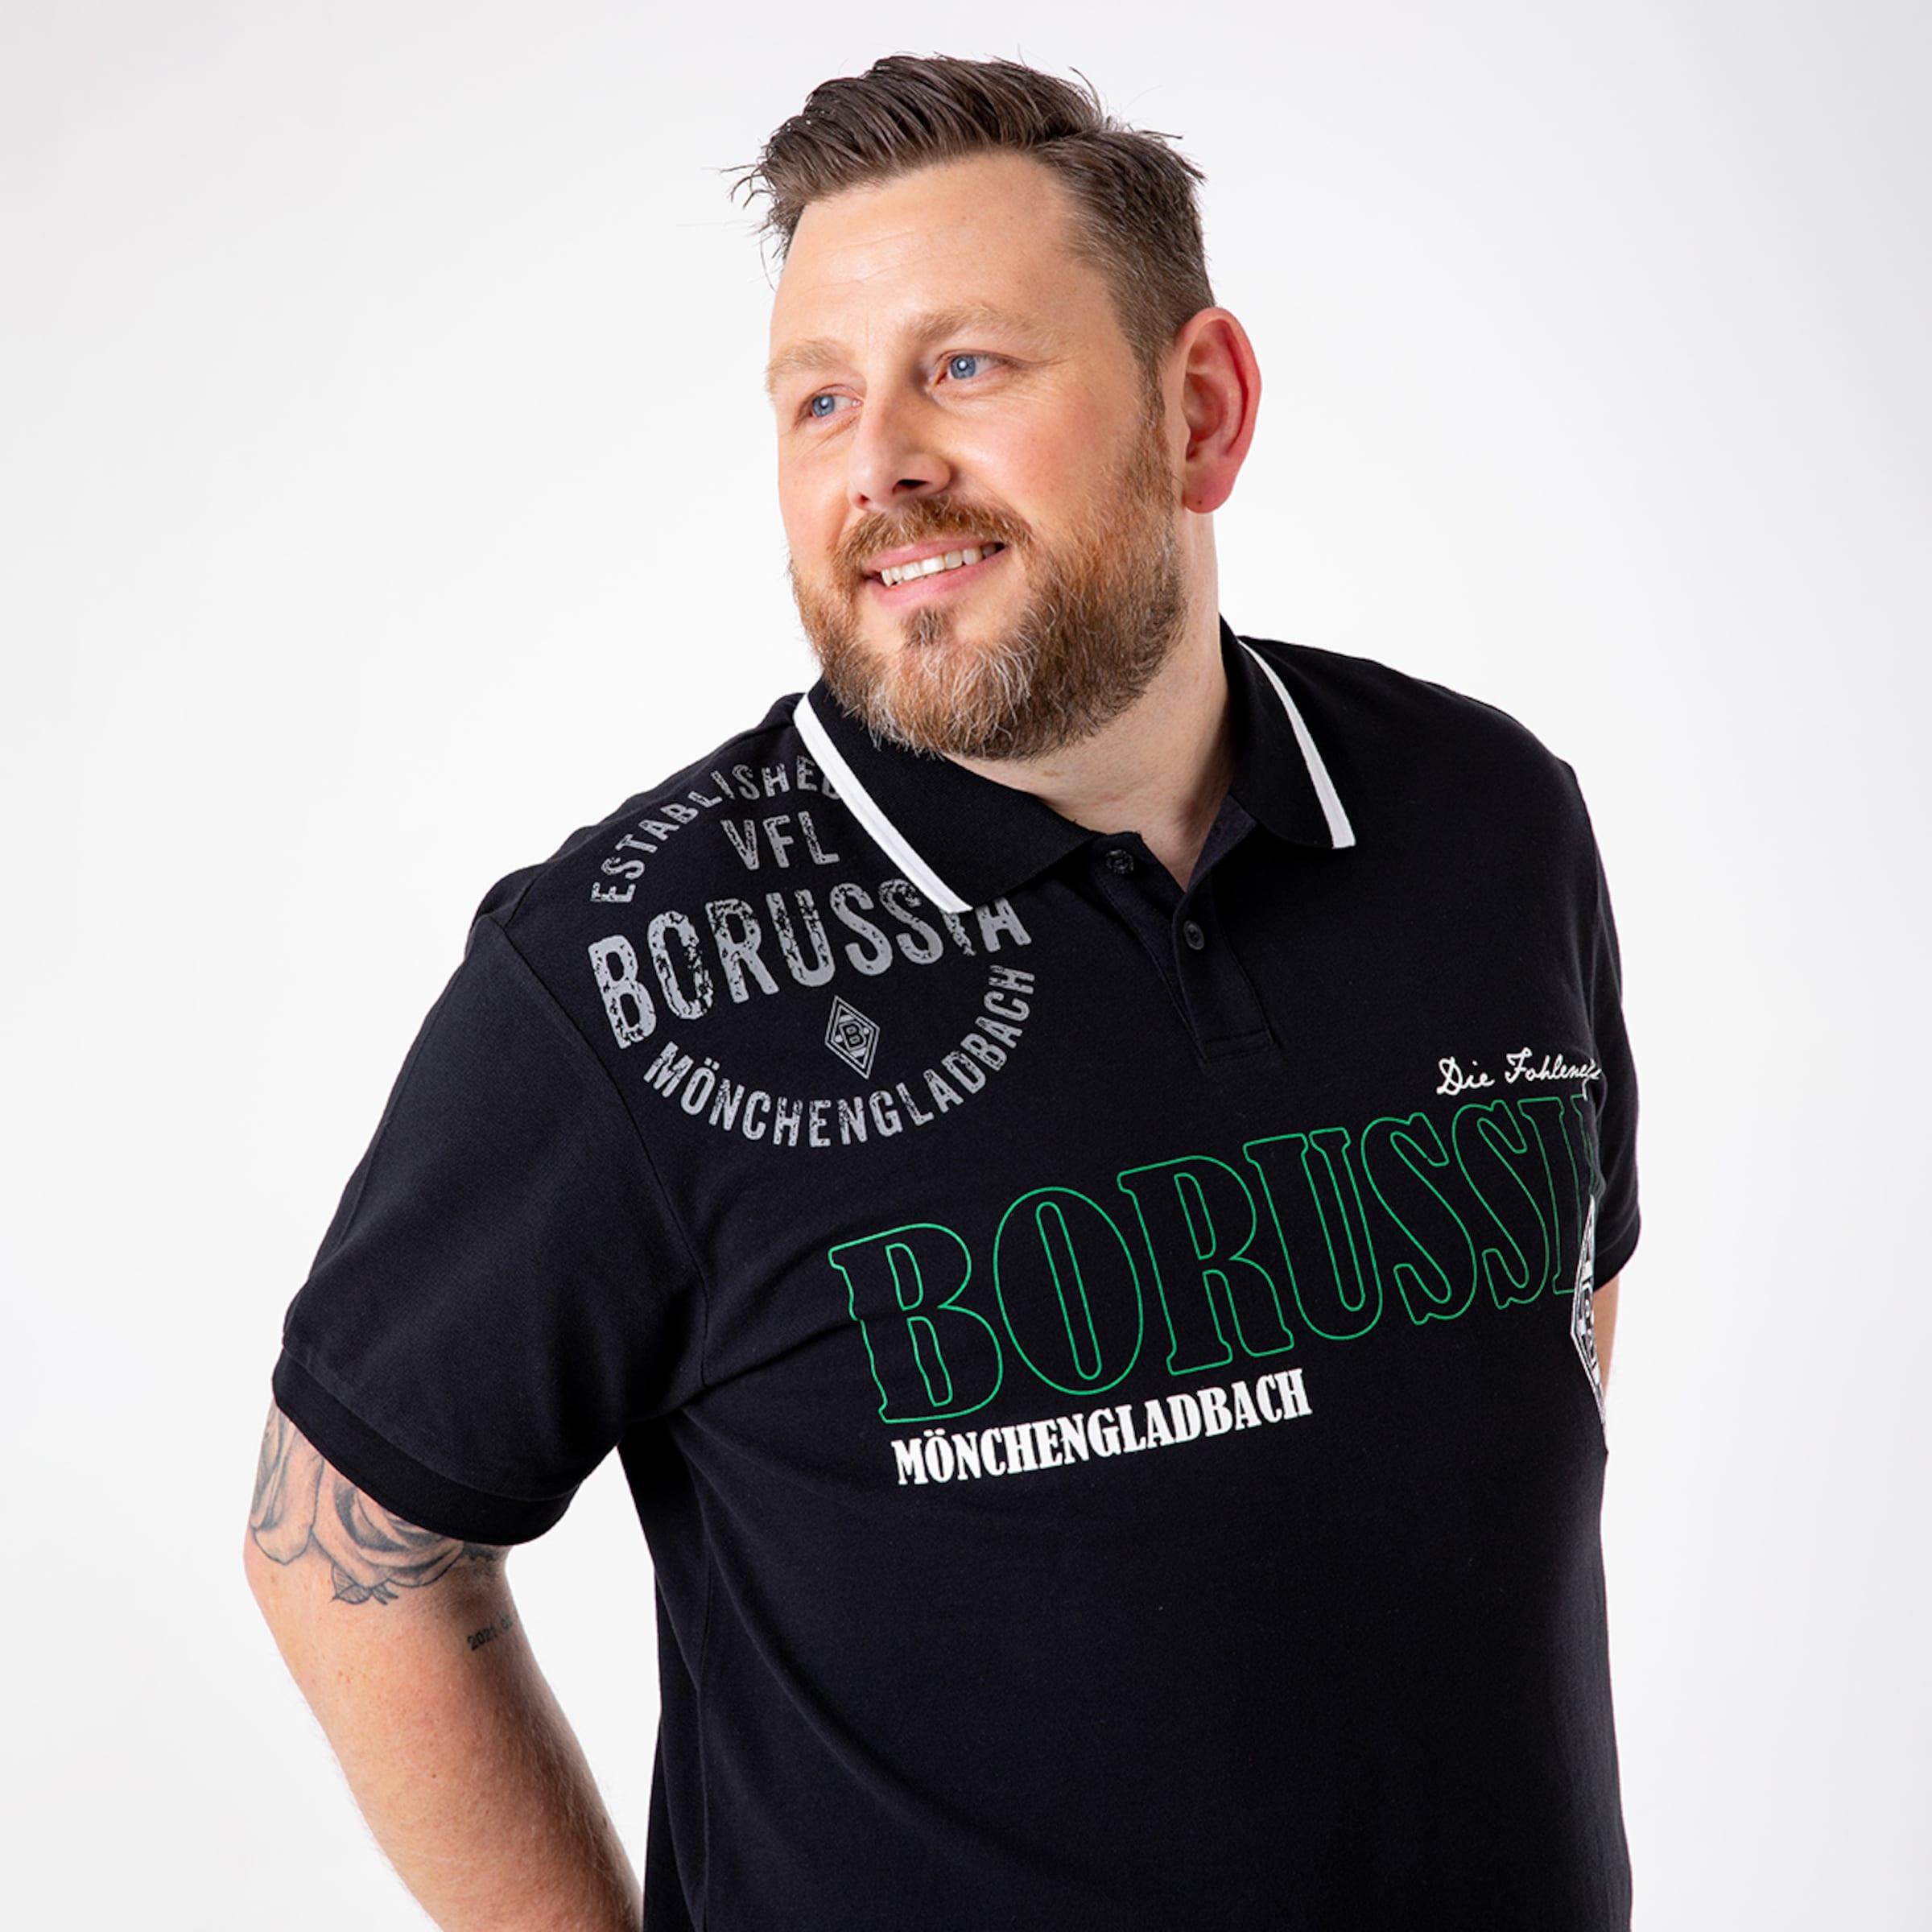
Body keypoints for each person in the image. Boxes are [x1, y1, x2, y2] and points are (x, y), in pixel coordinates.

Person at [246, 53, 1638, 1932]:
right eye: (819, 397)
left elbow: (1554, 1314)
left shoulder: (1485, 825)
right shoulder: (628, 972)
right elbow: (344, 1555)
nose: (880, 462)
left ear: (1200, 409)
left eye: (963, 366)